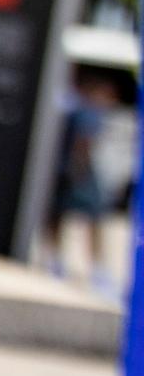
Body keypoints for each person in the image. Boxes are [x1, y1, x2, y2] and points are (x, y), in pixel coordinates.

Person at [45, 68, 121, 292]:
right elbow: (83, 143)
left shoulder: (72, 107)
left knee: (58, 216)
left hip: (65, 170)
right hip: (79, 172)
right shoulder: (87, 112)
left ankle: (55, 260)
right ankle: (97, 270)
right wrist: (80, 171)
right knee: (93, 219)